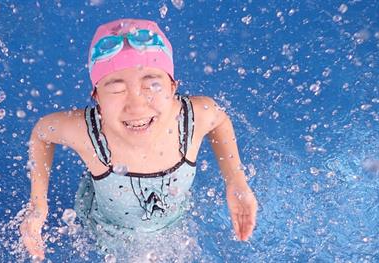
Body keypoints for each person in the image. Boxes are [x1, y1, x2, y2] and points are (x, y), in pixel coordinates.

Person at [20, 18, 257, 260]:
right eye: (116, 89)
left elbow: (219, 120)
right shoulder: (88, 133)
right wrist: (38, 206)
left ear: (173, 87)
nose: (136, 105)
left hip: (175, 223)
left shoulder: (193, 117)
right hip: (109, 231)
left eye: (152, 85)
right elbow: (42, 133)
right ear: (97, 97)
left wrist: (236, 181)